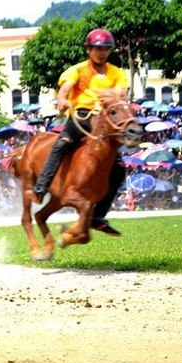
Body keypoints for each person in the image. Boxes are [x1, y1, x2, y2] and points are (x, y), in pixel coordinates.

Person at [25, 28, 127, 237]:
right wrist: (62, 99)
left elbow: (122, 94)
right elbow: (64, 90)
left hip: (105, 120)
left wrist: (115, 100)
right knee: (61, 144)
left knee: (118, 168)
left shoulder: (117, 72)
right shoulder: (77, 70)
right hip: (82, 116)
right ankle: (40, 190)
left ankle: (98, 216)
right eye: (98, 48)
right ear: (88, 49)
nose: (102, 53)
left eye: (106, 49)